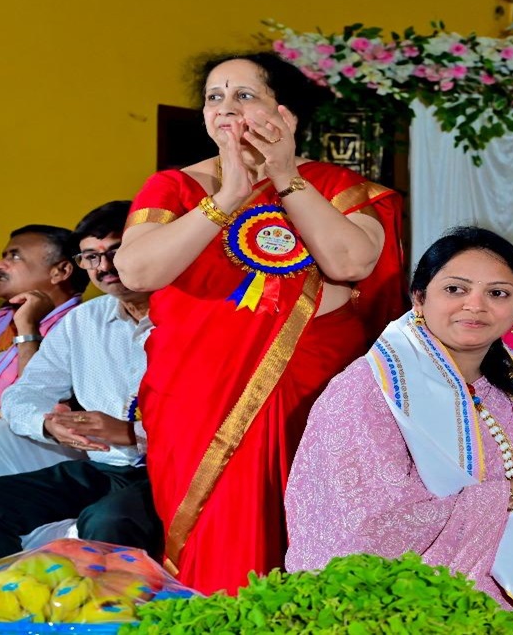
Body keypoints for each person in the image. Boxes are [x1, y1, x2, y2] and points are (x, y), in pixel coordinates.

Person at [115, 52, 404, 594]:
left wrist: (284, 176)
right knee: (214, 539)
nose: (226, 108)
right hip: (198, 393)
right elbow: (137, 270)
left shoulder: (334, 184)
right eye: (214, 97)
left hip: (313, 391)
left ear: (284, 112)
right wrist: (229, 194)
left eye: (244, 95)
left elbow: (351, 262)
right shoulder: (173, 187)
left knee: (316, 527)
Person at [284, 226, 513, 613]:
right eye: (455, 289)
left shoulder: (508, 383)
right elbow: (365, 533)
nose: (475, 305)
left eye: (497, 293)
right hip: (424, 611)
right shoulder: (366, 390)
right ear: (419, 298)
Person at [0, 201, 158, 567]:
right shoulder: (83, 321)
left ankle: (118, 606)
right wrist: (49, 424)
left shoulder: (193, 316)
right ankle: (14, 598)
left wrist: (132, 433)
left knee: (106, 519)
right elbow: (23, 395)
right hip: (108, 468)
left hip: (175, 470)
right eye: (91, 257)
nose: (104, 267)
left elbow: (222, 417)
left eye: (116, 252)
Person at [0, 226, 85, 419]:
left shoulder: (84, 334)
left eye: (15, 256)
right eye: (4, 256)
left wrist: (27, 327)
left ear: (60, 271)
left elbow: (38, 406)